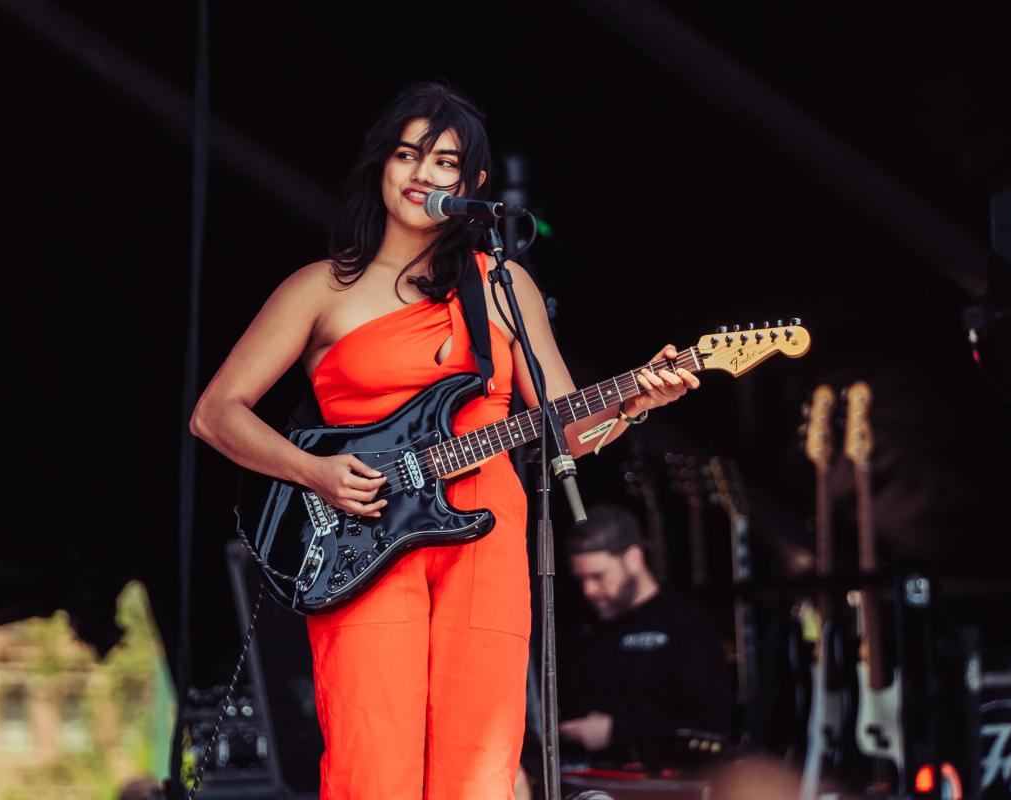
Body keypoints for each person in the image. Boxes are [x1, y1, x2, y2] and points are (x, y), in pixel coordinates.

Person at [189, 80, 698, 799]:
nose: (421, 174)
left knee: (478, 765)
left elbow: (566, 430)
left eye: (444, 162)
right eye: (407, 155)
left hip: (487, 527)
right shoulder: (322, 288)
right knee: (373, 756)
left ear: (473, 183)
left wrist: (636, 401)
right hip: (364, 527)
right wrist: (313, 471)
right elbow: (216, 413)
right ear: (381, 165)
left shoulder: (503, 285)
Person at [559, 504, 731, 769]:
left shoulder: (684, 625)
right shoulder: (582, 628)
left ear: (633, 558)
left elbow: (712, 727)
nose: (588, 590)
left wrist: (616, 733)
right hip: (589, 777)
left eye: (598, 576)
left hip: (668, 778)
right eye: (581, 579)